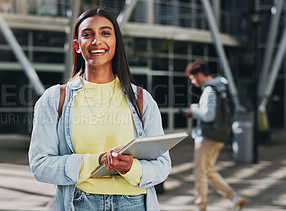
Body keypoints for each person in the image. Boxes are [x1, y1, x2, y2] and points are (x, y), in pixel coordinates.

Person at [29, 9, 171, 211]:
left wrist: (131, 167)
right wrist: (96, 161)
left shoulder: (141, 99)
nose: (97, 41)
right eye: (88, 34)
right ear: (77, 46)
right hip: (80, 203)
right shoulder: (54, 99)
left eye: (105, 33)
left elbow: (163, 166)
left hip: (134, 204)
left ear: (116, 42)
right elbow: (40, 165)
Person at [183, 61, 246, 211]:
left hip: (207, 138)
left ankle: (201, 206)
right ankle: (235, 198)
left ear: (199, 74)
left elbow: (208, 115)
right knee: (208, 170)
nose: (192, 81)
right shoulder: (219, 87)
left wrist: (195, 110)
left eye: (192, 78)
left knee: (200, 173)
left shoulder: (209, 90)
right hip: (217, 136)